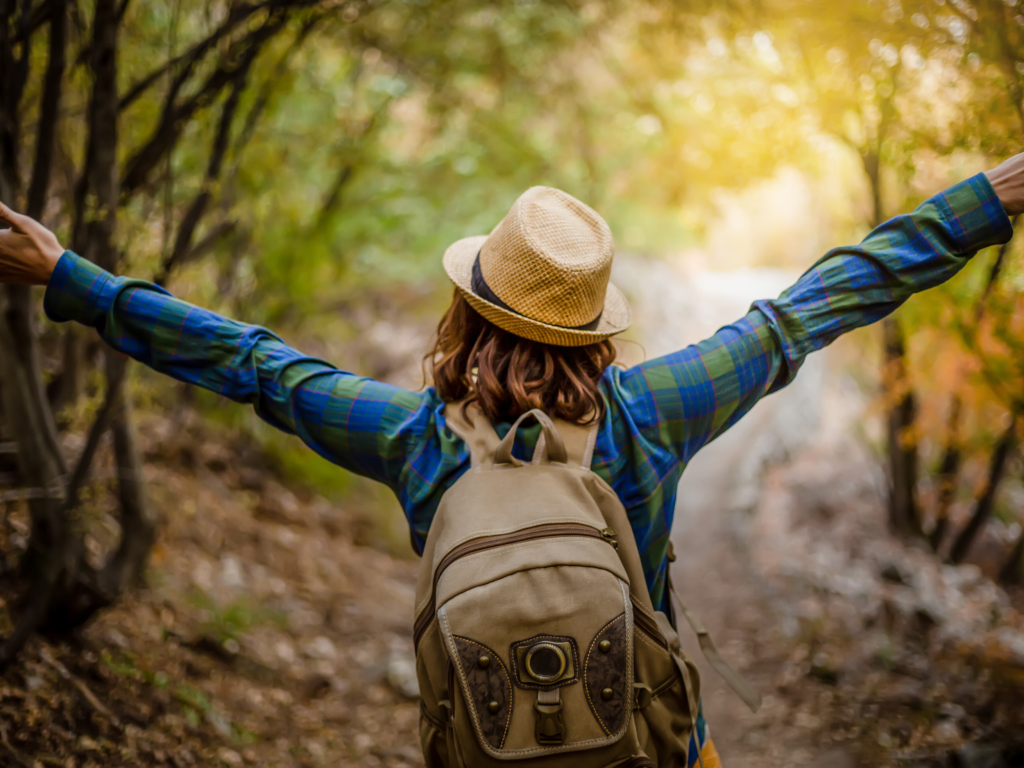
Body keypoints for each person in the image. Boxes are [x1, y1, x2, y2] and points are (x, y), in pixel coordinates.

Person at [0, 155, 1021, 765]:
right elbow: (812, 306)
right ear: (592, 327)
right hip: (653, 738)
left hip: (487, 741)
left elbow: (256, 366)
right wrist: (985, 199)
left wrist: (73, 277)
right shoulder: (655, 413)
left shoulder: (411, 436)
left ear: (468, 304)